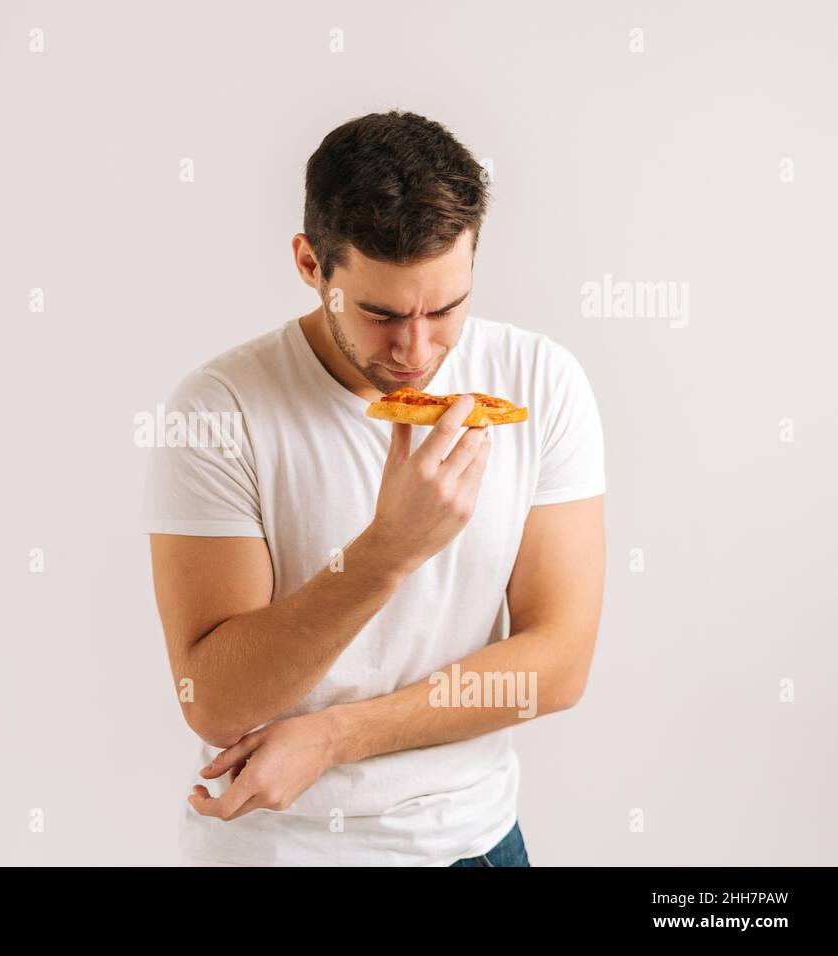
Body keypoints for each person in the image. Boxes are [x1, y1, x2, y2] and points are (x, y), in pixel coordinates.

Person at [142, 110, 605, 866]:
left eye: (446, 308)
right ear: (308, 263)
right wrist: (386, 553)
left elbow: (559, 665)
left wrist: (335, 737)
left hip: (479, 845)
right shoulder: (219, 410)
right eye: (381, 313)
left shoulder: (541, 384)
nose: (416, 349)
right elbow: (215, 702)